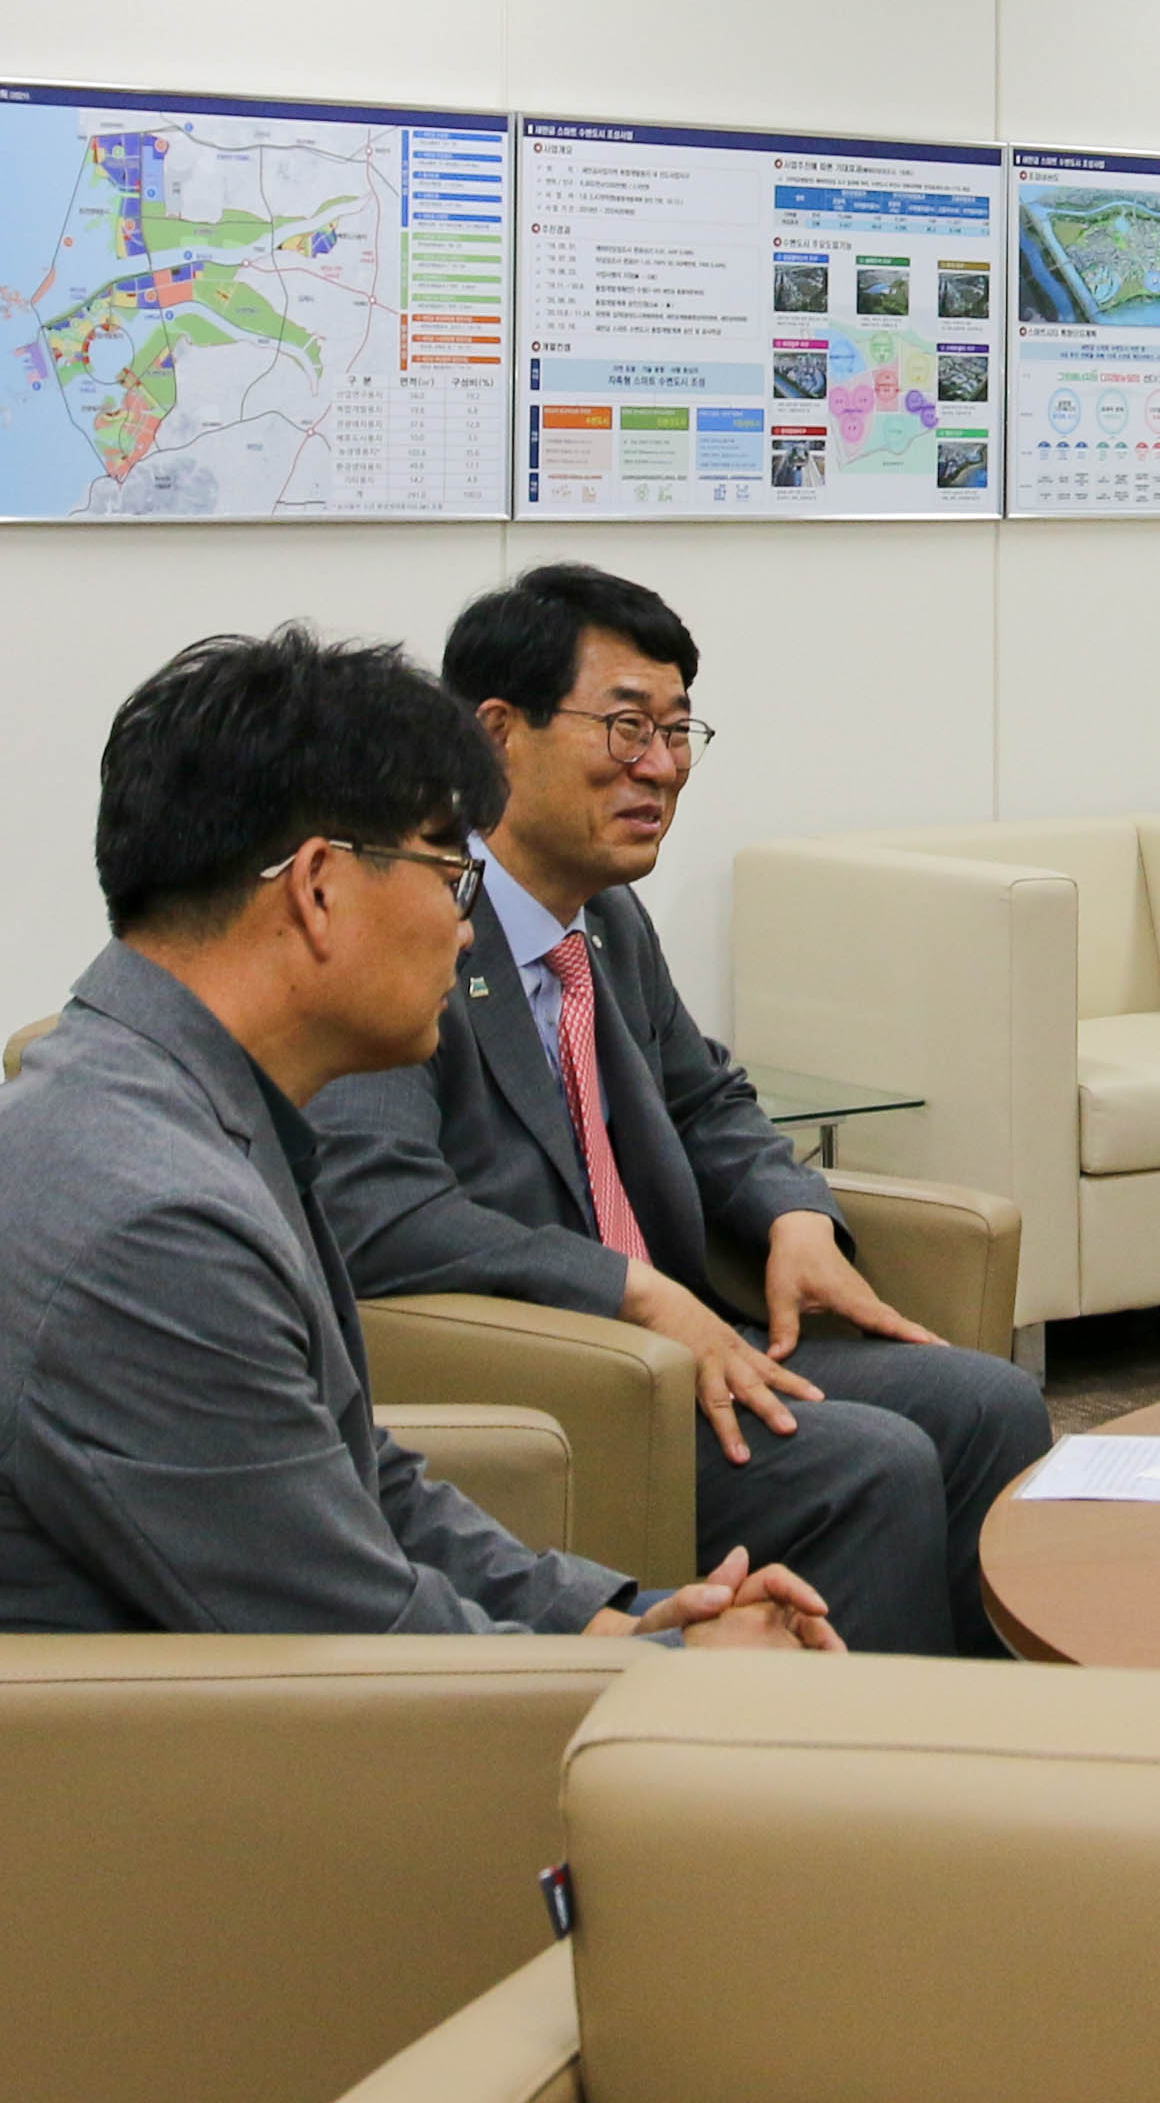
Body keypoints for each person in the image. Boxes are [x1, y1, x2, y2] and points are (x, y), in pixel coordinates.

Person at [0, 623, 833, 1651]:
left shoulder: (176, 1096)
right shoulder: (151, 1219)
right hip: (87, 1777)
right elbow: (355, 1641)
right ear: (317, 888)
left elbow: (355, 1483)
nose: (467, 927)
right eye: (450, 876)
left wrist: (612, 1615)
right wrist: (672, 1666)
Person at [308, 566, 1051, 1658]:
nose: (660, 766)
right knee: (873, 1462)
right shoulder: (408, 923)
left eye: (677, 729)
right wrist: (632, 1294)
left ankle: (987, 1753)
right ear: (498, 734)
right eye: (624, 728)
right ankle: (862, 1795)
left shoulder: (604, 918)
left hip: (697, 1336)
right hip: (574, 1376)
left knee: (991, 1403)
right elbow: (381, 1212)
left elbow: (708, 1097)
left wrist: (794, 1212)